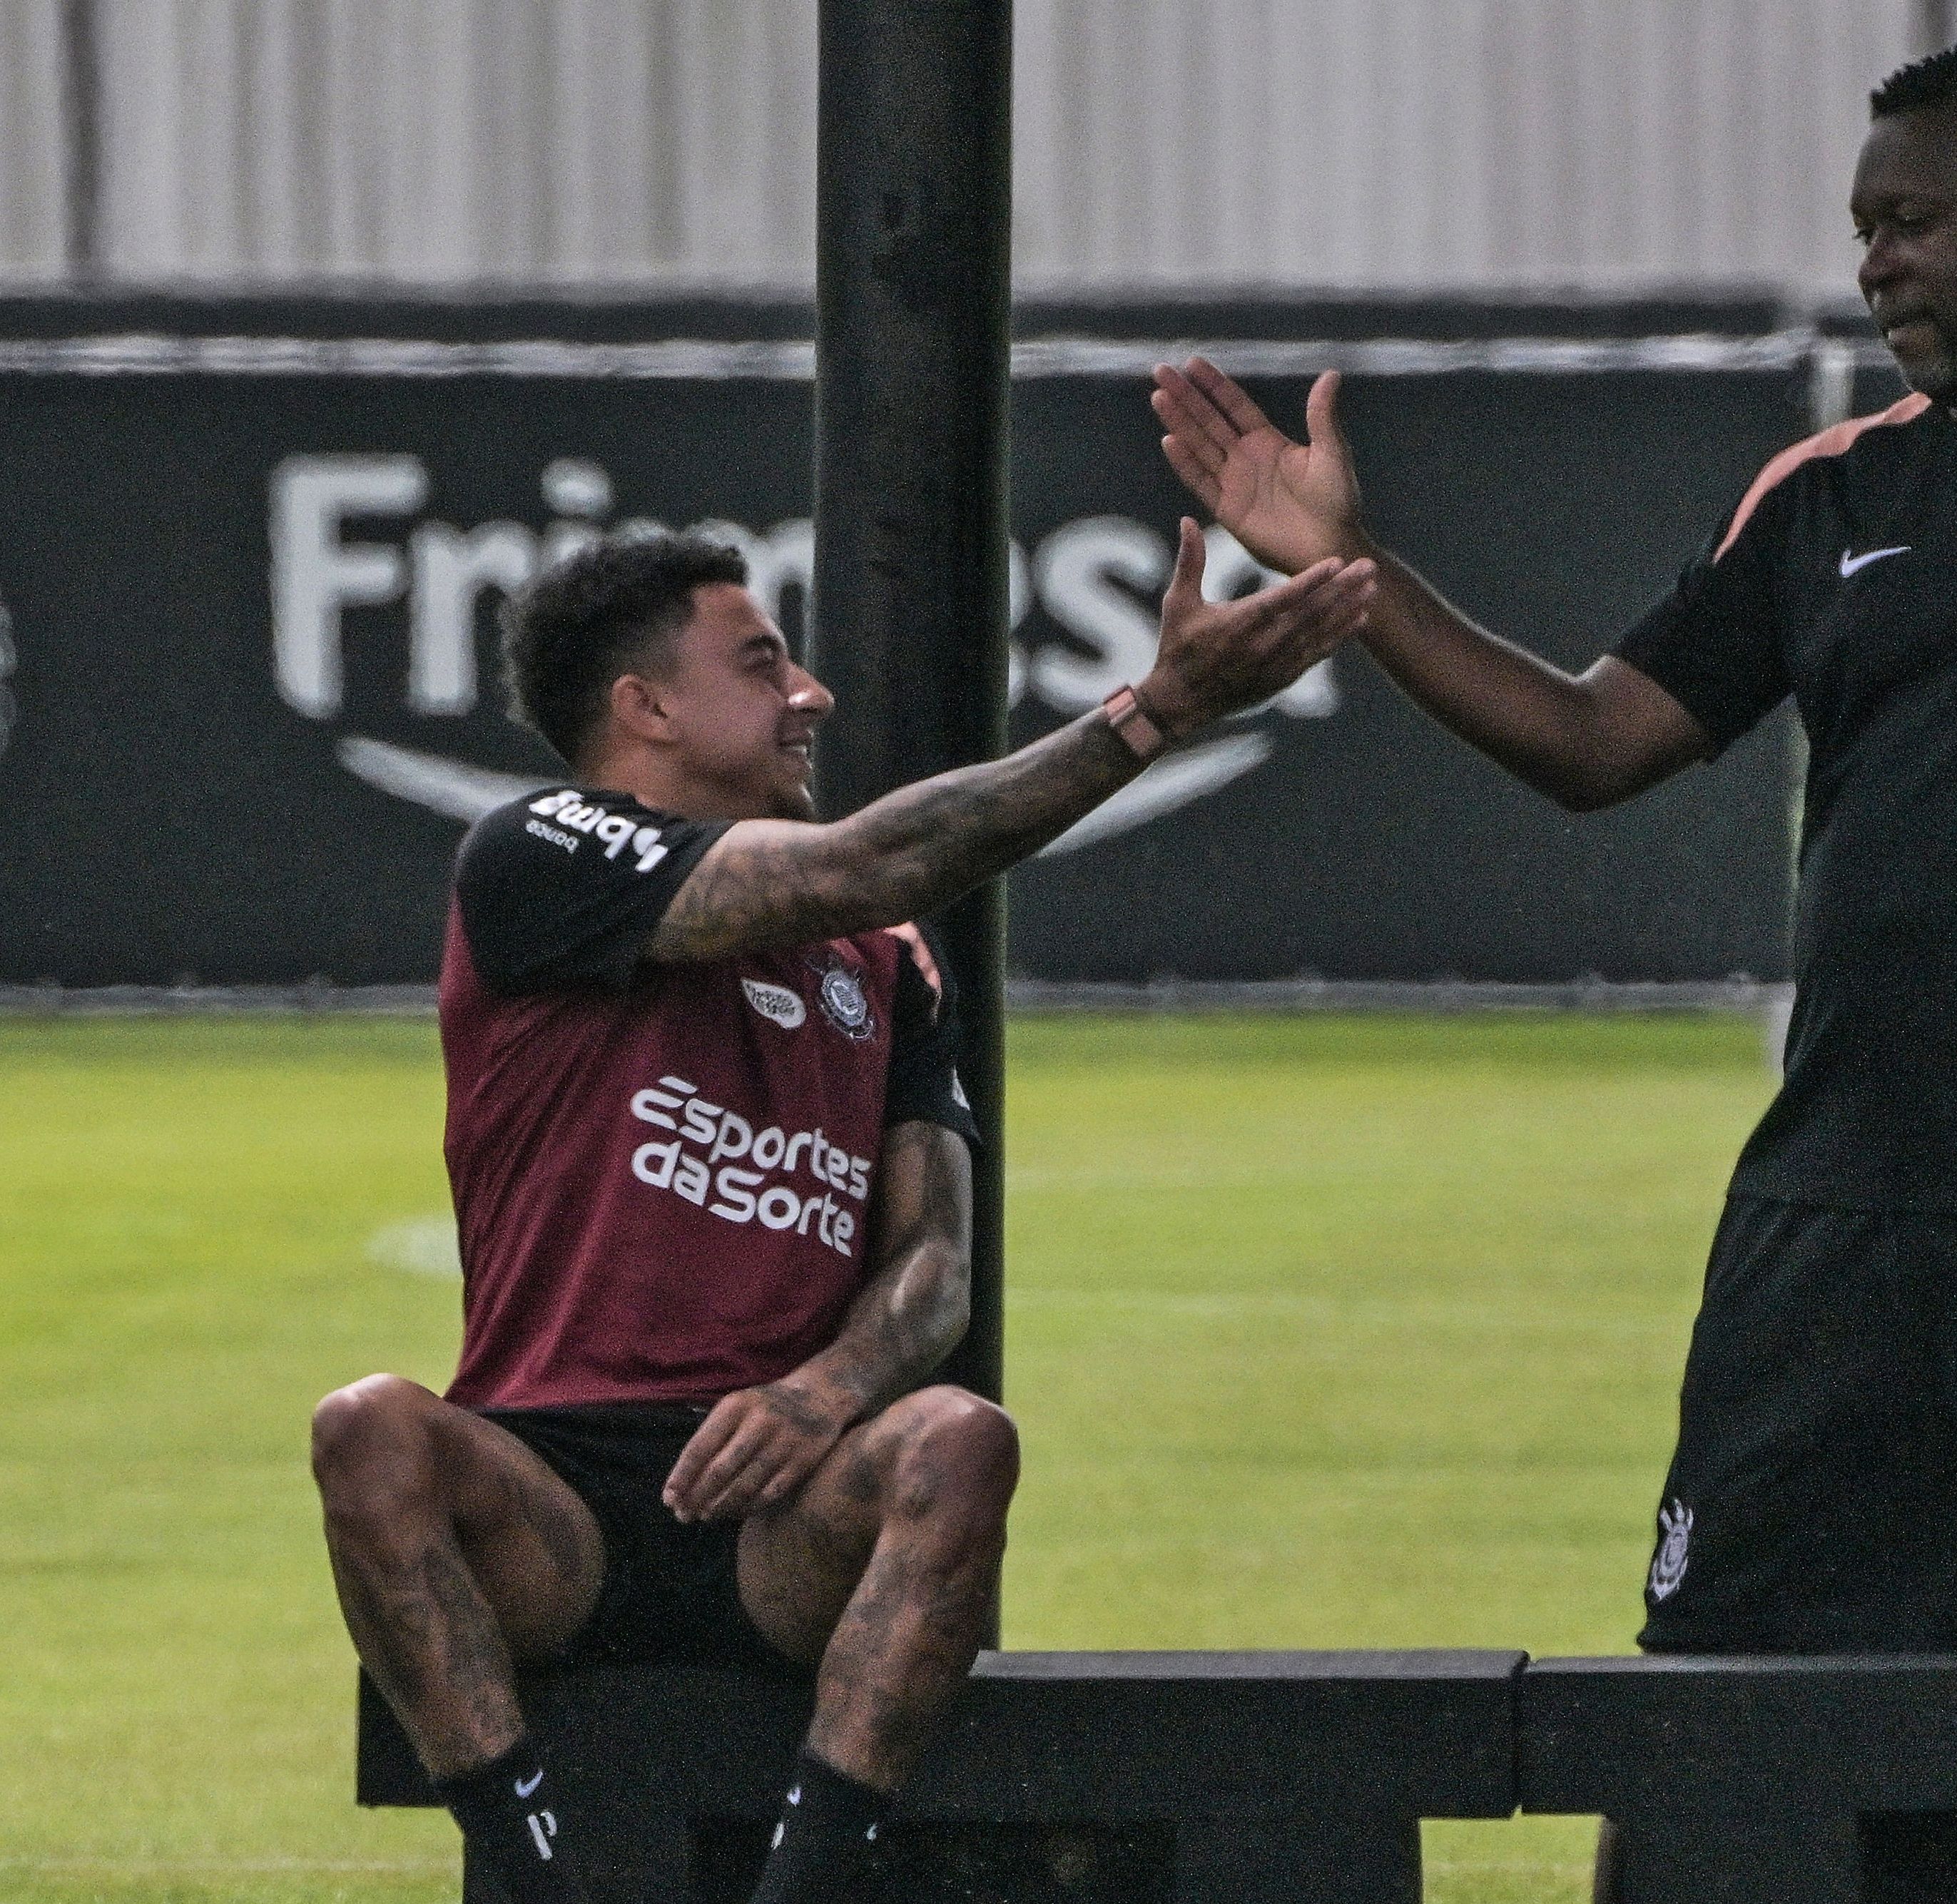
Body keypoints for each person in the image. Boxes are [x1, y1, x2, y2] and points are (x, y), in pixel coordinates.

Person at [1155, 42, 1957, 1676]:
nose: (1874, 263)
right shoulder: (1827, 493)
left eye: (1913, 222)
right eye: (1861, 229)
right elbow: (1589, 741)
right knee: (1725, 1733)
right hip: (1838, 1218)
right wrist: (1354, 573)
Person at [310, 524, 1373, 1904]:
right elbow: (865, 863)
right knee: (367, 1428)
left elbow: (936, 1262)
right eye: (762, 663)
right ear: (646, 707)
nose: (809, 692)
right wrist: (1154, 709)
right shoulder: (540, 850)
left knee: (961, 1439)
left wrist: (827, 1389)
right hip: (549, 1500)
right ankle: (531, 1882)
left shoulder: (883, 962)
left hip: (780, 1511)